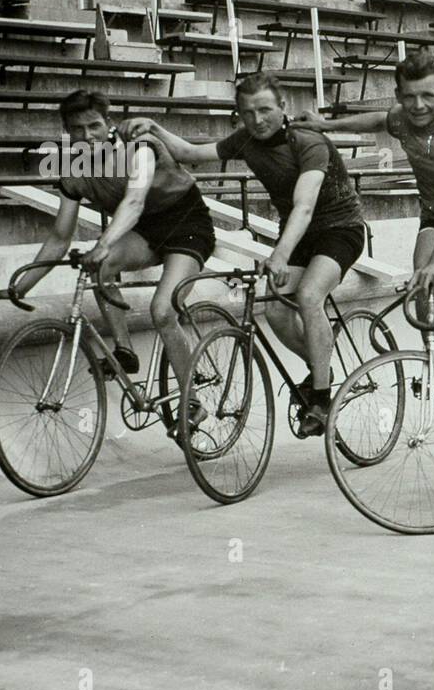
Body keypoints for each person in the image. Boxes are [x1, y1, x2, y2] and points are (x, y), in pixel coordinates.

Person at [301, 48, 434, 475]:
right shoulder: (402, 117)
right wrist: (327, 126)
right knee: (423, 296)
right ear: (400, 95)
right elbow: (378, 121)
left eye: (428, 97)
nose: (418, 106)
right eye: (409, 97)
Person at [124, 73, 366, 437]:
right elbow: (191, 154)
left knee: (309, 294)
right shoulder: (247, 140)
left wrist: (280, 253)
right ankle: (322, 368)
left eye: (265, 110)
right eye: (248, 112)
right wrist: (157, 128)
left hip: (339, 229)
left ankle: (320, 396)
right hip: (299, 236)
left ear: (283, 108)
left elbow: (304, 205)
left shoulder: (308, 141)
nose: (257, 120)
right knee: (276, 311)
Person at [0, 89, 216, 439]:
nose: (87, 136)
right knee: (98, 267)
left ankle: (192, 401)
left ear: (109, 123)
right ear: (66, 132)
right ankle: (124, 350)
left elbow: (134, 201)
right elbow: (59, 237)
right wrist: (19, 286)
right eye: (77, 129)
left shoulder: (138, 147)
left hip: (186, 225)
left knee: (163, 311)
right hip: (142, 231)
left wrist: (104, 243)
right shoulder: (73, 168)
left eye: (95, 125)